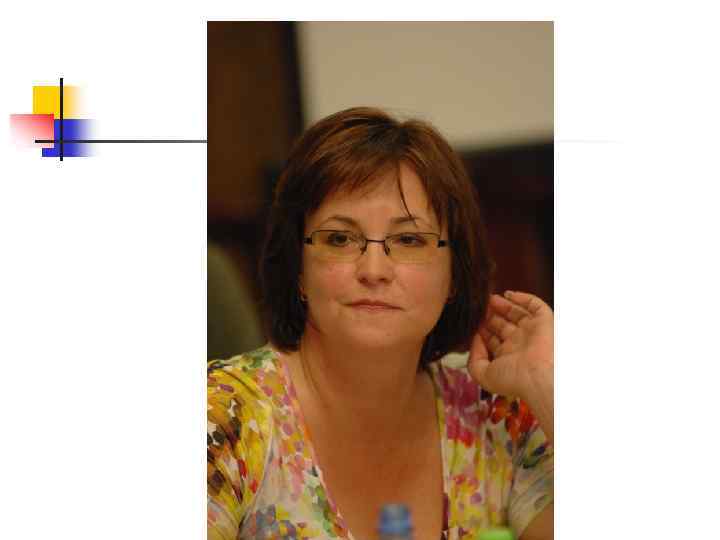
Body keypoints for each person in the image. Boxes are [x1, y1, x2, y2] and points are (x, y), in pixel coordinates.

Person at [208, 107, 554, 540]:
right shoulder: (223, 420)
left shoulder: (497, 417)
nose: (373, 270)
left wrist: (547, 385)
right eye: (340, 239)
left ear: (454, 274)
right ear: (298, 269)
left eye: (409, 240)